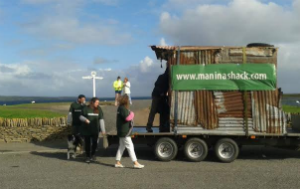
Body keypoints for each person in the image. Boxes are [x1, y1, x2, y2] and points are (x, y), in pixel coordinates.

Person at [115, 94, 144, 169]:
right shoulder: (123, 109)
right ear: (126, 101)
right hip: (125, 132)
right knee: (130, 146)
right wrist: (132, 114)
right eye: (129, 100)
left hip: (121, 131)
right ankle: (135, 163)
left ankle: (117, 162)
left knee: (122, 146)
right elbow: (127, 118)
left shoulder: (120, 108)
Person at [79, 97, 106, 163]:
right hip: (87, 130)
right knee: (87, 143)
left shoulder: (99, 109)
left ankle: (93, 155)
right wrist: (85, 120)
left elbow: (101, 119)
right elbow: (80, 117)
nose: (98, 104)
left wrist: (103, 130)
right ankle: (88, 156)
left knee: (95, 143)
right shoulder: (85, 109)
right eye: (97, 102)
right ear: (92, 102)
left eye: (98, 102)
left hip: (95, 129)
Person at [146, 67, 170, 133]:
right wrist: (162, 93)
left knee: (156, 111)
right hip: (158, 95)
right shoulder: (166, 78)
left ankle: (150, 126)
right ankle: (154, 127)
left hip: (158, 95)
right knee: (156, 111)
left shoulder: (162, 76)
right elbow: (159, 86)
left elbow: (156, 84)